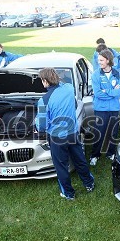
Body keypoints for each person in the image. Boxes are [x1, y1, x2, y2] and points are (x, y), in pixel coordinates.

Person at [35, 68, 95, 200]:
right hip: (73, 133)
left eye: (42, 80)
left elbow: (42, 126)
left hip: (57, 138)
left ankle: (68, 193)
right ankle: (89, 184)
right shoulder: (68, 88)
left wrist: (36, 123)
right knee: (80, 160)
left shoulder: (43, 100)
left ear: (45, 81)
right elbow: (73, 104)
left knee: (61, 167)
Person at [89, 49, 120, 166]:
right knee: (99, 132)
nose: (98, 62)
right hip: (100, 109)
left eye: (101, 60)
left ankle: (111, 153)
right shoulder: (96, 74)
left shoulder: (117, 73)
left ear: (108, 60)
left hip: (114, 109)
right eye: (98, 60)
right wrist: (112, 92)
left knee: (113, 133)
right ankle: (95, 155)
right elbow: (98, 93)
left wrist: (107, 91)